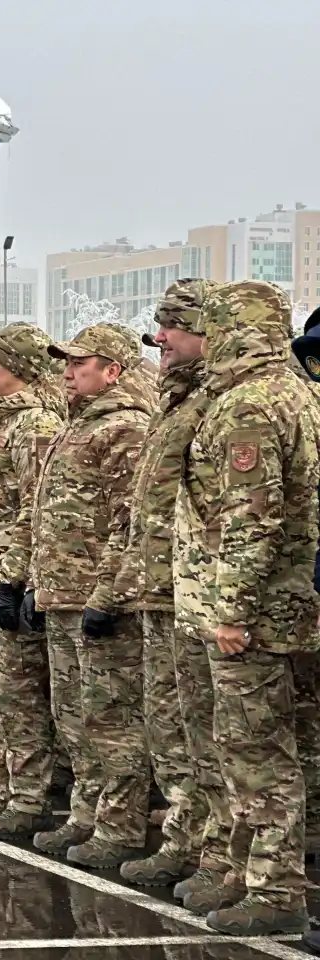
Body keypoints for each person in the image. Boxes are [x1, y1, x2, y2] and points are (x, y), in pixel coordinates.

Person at [173, 280, 320, 936]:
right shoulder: (301, 393)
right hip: (294, 600)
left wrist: (229, 608)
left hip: (258, 611)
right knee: (293, 743)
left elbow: (251, 517)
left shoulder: (250, 405)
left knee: (254, 749)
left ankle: (274, 886)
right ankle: (272, 873)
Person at [111, 280, 223, 889]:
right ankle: (186, 841)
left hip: (201, 597)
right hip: (160, 591)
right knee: (170, 725)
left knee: (210, 735)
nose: (160, 339)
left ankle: (216, 854)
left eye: (172, 326)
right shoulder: (177, 403)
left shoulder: (224, 405)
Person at [28, 323, 151, 868]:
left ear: (113, 370)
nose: (68, 372)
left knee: (111, 718)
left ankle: (119, 826)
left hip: (99, 599)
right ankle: (86, 814)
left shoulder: (125, 428)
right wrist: (37, 580)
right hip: (62, 593)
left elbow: (131, 524)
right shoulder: (78, 426)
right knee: (73, 715)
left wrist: (109, 593)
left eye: (81, 363)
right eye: (66, 363)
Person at [0, 323, 64, 837]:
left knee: (18, 693)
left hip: (9, 576)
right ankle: (2, 791)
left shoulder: (37, 426)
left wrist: (15, 578)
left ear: (18, 366)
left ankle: (28, 798)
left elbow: (33, 508)